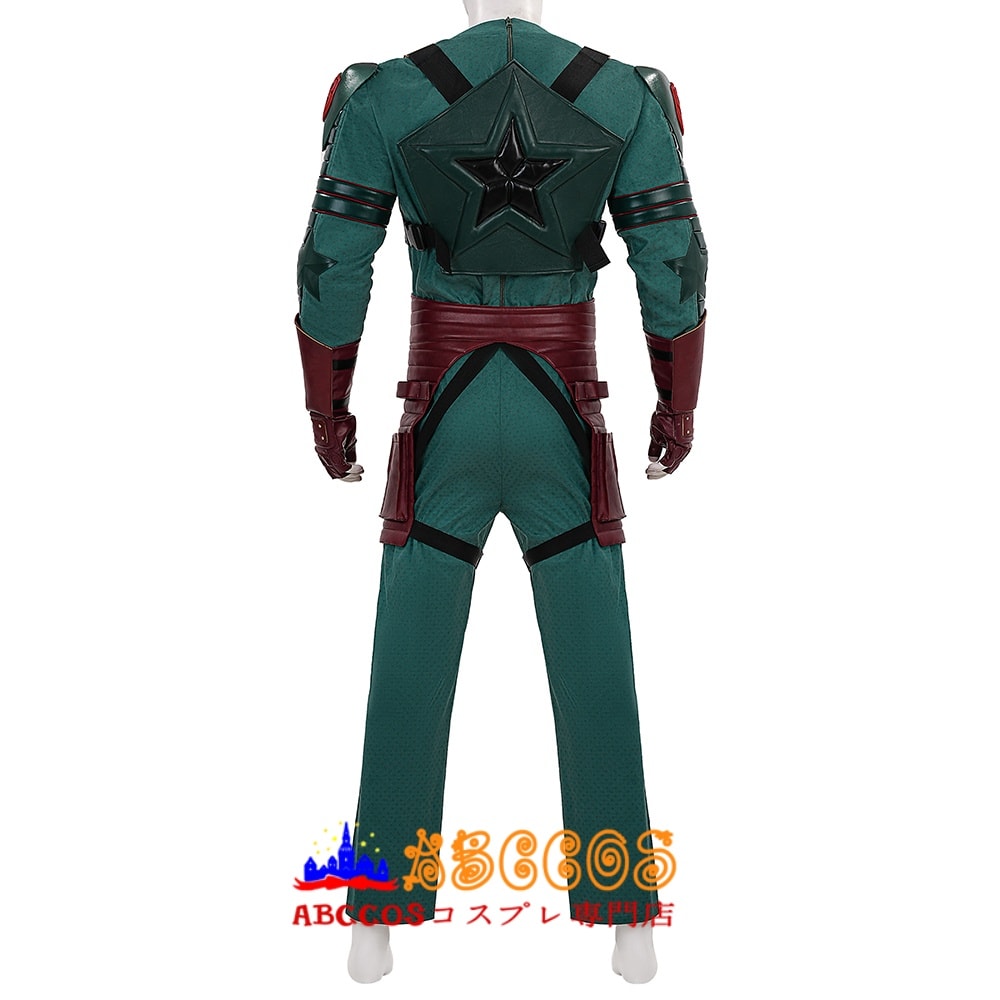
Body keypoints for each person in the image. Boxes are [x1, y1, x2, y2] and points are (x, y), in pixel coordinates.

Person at [293, 0, 707, 983]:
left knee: (409, 658)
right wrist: (677, 404)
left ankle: (375, 918)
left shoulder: (381, 94)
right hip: (566, 406)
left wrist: (328, 411)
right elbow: (675, 260)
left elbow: (330, 263)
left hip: (441, 406)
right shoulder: (628, 94)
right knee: (595, 657)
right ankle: (628, 917)